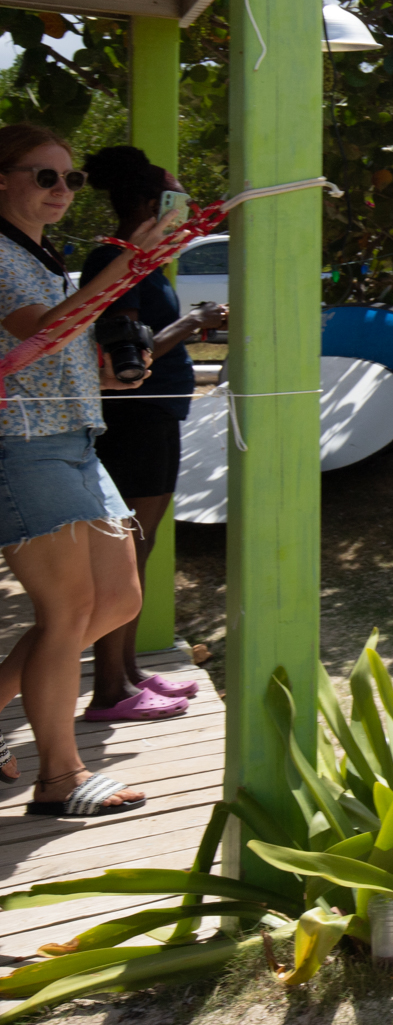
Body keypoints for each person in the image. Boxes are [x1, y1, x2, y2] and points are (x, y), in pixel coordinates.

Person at [0, 123, 175, 816]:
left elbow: (58, 342)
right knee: (67, 611)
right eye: (45, 176)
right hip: (21, 444)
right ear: (3, 180)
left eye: (70, 179)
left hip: (74, 437)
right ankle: (60, 779)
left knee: (117, 602)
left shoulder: (42, 256)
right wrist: (131, 262)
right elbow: (39, 330)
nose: (63, 191)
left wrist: (104, 369)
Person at [79, 147, 228, 721]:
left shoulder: (141, 262)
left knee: (140, 551)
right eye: (175, 201)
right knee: (125, 554)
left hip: (157, 417)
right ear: (148, 204)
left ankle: (129, 671)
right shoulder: (111, 260)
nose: (184, 212)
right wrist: (192, 324)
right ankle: (109, 690)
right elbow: (124, 355)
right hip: (131, 422)